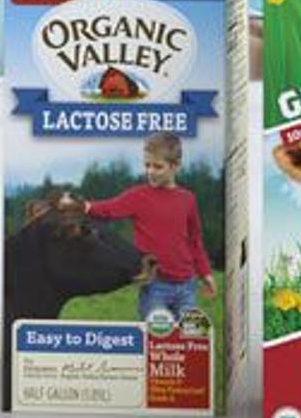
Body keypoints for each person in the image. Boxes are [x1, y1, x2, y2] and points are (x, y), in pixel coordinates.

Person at [82, 130, 213, 323]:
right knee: (156, 342)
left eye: (158, 166)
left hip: (187, 286)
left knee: (190, 341)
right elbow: (109, 209)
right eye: (147, 165)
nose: (150, 171)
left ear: (175, 166)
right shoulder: (138, 196)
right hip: (155, 286)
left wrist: (205, 273)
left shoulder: (188, 199)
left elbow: (195, 240)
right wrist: (84, 206)